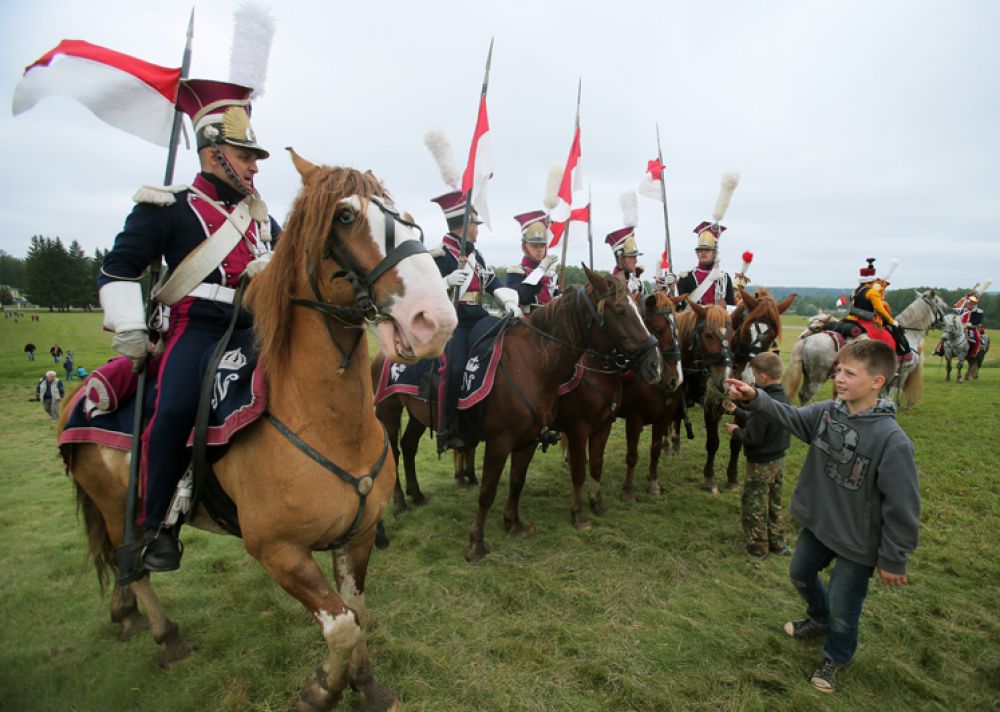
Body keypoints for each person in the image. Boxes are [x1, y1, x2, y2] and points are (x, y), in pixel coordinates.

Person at [98, 79, 280, 572]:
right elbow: (117, 269)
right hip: (194, 327)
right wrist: (132, 327)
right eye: (245, 155)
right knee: (176, 404)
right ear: (214, 152)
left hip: (254, 328)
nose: (255, 165)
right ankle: (158, 523)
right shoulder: (168, 205)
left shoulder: (261, 218)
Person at [726, 340, 920, 694]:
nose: (839, 378)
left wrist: (895, 557)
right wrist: (755, 397)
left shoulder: (893, 441)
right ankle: (818, 617)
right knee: (800, 573)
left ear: (877, 382)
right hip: (820, 526)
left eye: (849, 373)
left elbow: (903, 505)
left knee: (845, 609)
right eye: (838, 371)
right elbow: (789, 416)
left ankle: (836, 655)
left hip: (857, 541)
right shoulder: (828, 412)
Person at [431, 190, 520, 451]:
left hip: (479, 317)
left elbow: (494, 283)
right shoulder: (440, 257)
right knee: (455, 368)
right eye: (475, 225)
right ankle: (446, 428)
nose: (478, 231)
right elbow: (424, 291)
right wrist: (445, 283)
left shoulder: (476, 256)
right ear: (463, 226)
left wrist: (510, 302)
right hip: (453, 322)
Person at [724, 351, 791, 558]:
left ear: (762, 377)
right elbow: (760, 419)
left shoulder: (763, 406)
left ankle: (757, 547)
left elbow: (753, 438)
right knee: (774, 503)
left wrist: (736, 432)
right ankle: (778, 543)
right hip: (778, 460)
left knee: (754, 504)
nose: (751, 378)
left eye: (753, 374)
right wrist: (738, 410)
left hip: (760, 464)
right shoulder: (781, 397)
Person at [837, 258, 900, 352]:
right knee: (888, 338)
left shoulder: (855, 291)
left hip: (852, 319)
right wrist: (891, 321)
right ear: (872, 280)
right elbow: (879, 309)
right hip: (867, 321)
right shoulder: (872, 292)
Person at [504, 210, 559, 315]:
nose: (539, 250)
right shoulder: (516, 271)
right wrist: (540, 271)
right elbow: (523, 297)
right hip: (526, 322)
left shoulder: (552, 273)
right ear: (525, 247)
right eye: (534, 246)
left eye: (542, 246)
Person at [676, 222, 736, 309]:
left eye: (707, 250)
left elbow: (731, 306)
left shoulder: (724, 278)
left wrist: (725, 307)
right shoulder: (686, 278)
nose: (703, 252)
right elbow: (680, 308)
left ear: (714, 253)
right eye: (700, 250)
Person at [606, 226, 644, 297]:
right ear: (620, 258)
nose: (636, 261)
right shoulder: (611, 286)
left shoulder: (638, 283)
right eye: (631, 257)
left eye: (635, 257)